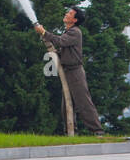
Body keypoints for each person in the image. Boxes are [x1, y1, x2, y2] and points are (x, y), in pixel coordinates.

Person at [35, 7, 103, 135]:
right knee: (66, 105)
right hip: (68, 71)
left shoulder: (75, 32)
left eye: (70, 13)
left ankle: (97, 131)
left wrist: (44, 32)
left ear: (75, 20)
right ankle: (70, 132)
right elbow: (64, 50)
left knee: (83, 102)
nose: (66, 14)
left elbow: (60, 42)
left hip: (75, 72)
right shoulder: (68, 32)